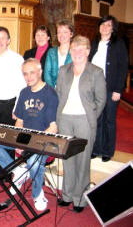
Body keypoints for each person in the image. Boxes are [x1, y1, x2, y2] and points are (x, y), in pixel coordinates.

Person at [0, 58, 58, 212]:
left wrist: (34, 143)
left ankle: (38, 194)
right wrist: (18, 142)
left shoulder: (50, 94)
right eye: (25, 74)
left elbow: (53, 127)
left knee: (34, 160)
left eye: (32, 73)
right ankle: (17, 169)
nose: (28, 77)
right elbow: (19, 121)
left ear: (40, 72)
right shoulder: (24, 92)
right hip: (24, 139)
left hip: (43, 142)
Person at [56, 35, 106, 213]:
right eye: (74, 48)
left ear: (87, 51)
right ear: (70, 51)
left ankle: (79, 198)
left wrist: (90, 116)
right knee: (67, 158)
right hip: (65, 119)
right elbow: (59, 94)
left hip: (85, 119)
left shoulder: (96, 72)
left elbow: (101, 99)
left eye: (81, 48)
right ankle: (67, 195)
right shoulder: (64, 70)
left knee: (83, 160)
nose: (77, 52)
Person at [89, 15, 129, 162]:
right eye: (103, 24)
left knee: (109, 120)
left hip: (111, 88)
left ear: (113, 28)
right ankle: (96, 148)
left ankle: (107, 151)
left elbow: (123, 67)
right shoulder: (94, 43)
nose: (105, 27)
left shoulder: (118, 43)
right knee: (96, 120)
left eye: (108, 25)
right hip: (94, 88)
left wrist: (118, 89)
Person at [44, 20, 74, 87]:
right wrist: (52, 92)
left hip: (70, 90)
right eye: (59, 32)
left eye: (65, 32)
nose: (61, 35)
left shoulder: (76, 52)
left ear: (71, 34)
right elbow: (47, 74)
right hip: (53, 89)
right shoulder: (51, 52)